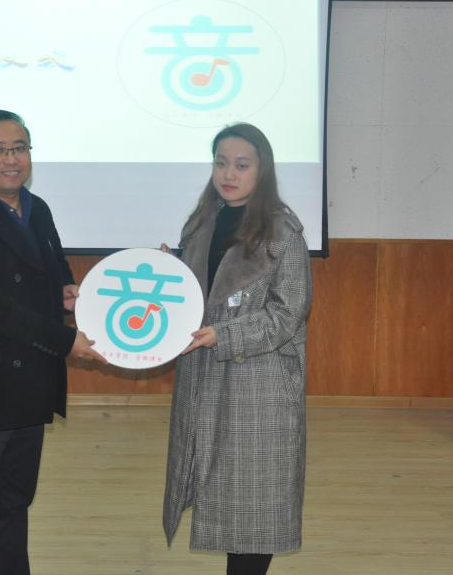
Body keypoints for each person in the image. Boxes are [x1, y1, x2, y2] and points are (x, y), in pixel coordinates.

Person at [0, 109, 106, 575]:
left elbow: (53, 269)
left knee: (13, 502)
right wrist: (65, 340)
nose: (11, 159)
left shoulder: (37, 209)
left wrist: (65, 291)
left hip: (30, 382)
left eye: (19, 148)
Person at [162, 123, 312, 575]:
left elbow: (288, 314)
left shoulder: (284, 232)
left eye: (242, 165)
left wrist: (223, 335)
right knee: (222, 495)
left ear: (262, 171)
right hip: (203, 380)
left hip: (259, 389)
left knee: (256, 507)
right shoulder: (201, 223)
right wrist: (170, 272)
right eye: (221, 163)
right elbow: (201, 292)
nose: (229, 174)